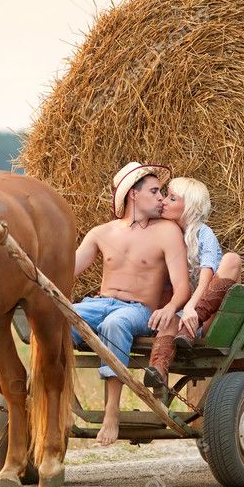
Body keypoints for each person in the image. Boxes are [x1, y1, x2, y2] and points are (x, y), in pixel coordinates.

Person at [72, 162, 192, 446]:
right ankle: (56, 400)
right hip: (97, 304)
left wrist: (168, 307)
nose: (162, 197)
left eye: (162, 191)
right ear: (133, 195)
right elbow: (68, 269)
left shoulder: (167, 232)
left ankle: (111, 412)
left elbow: (183, 287)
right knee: (59, 320)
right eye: (154, 191)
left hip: (137, 310)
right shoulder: (102, 232)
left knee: (116, 323)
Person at [143, 176, 243, 390]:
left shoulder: (203, 233)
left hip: (209, 317)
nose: (163, 201)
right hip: (181, 318)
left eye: (171, 198)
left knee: (231, 259)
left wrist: (191, 309)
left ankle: (191, 328)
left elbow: (206, 277)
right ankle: (157, 369)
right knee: (169, 320)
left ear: (188, 206)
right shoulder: (165, 234)